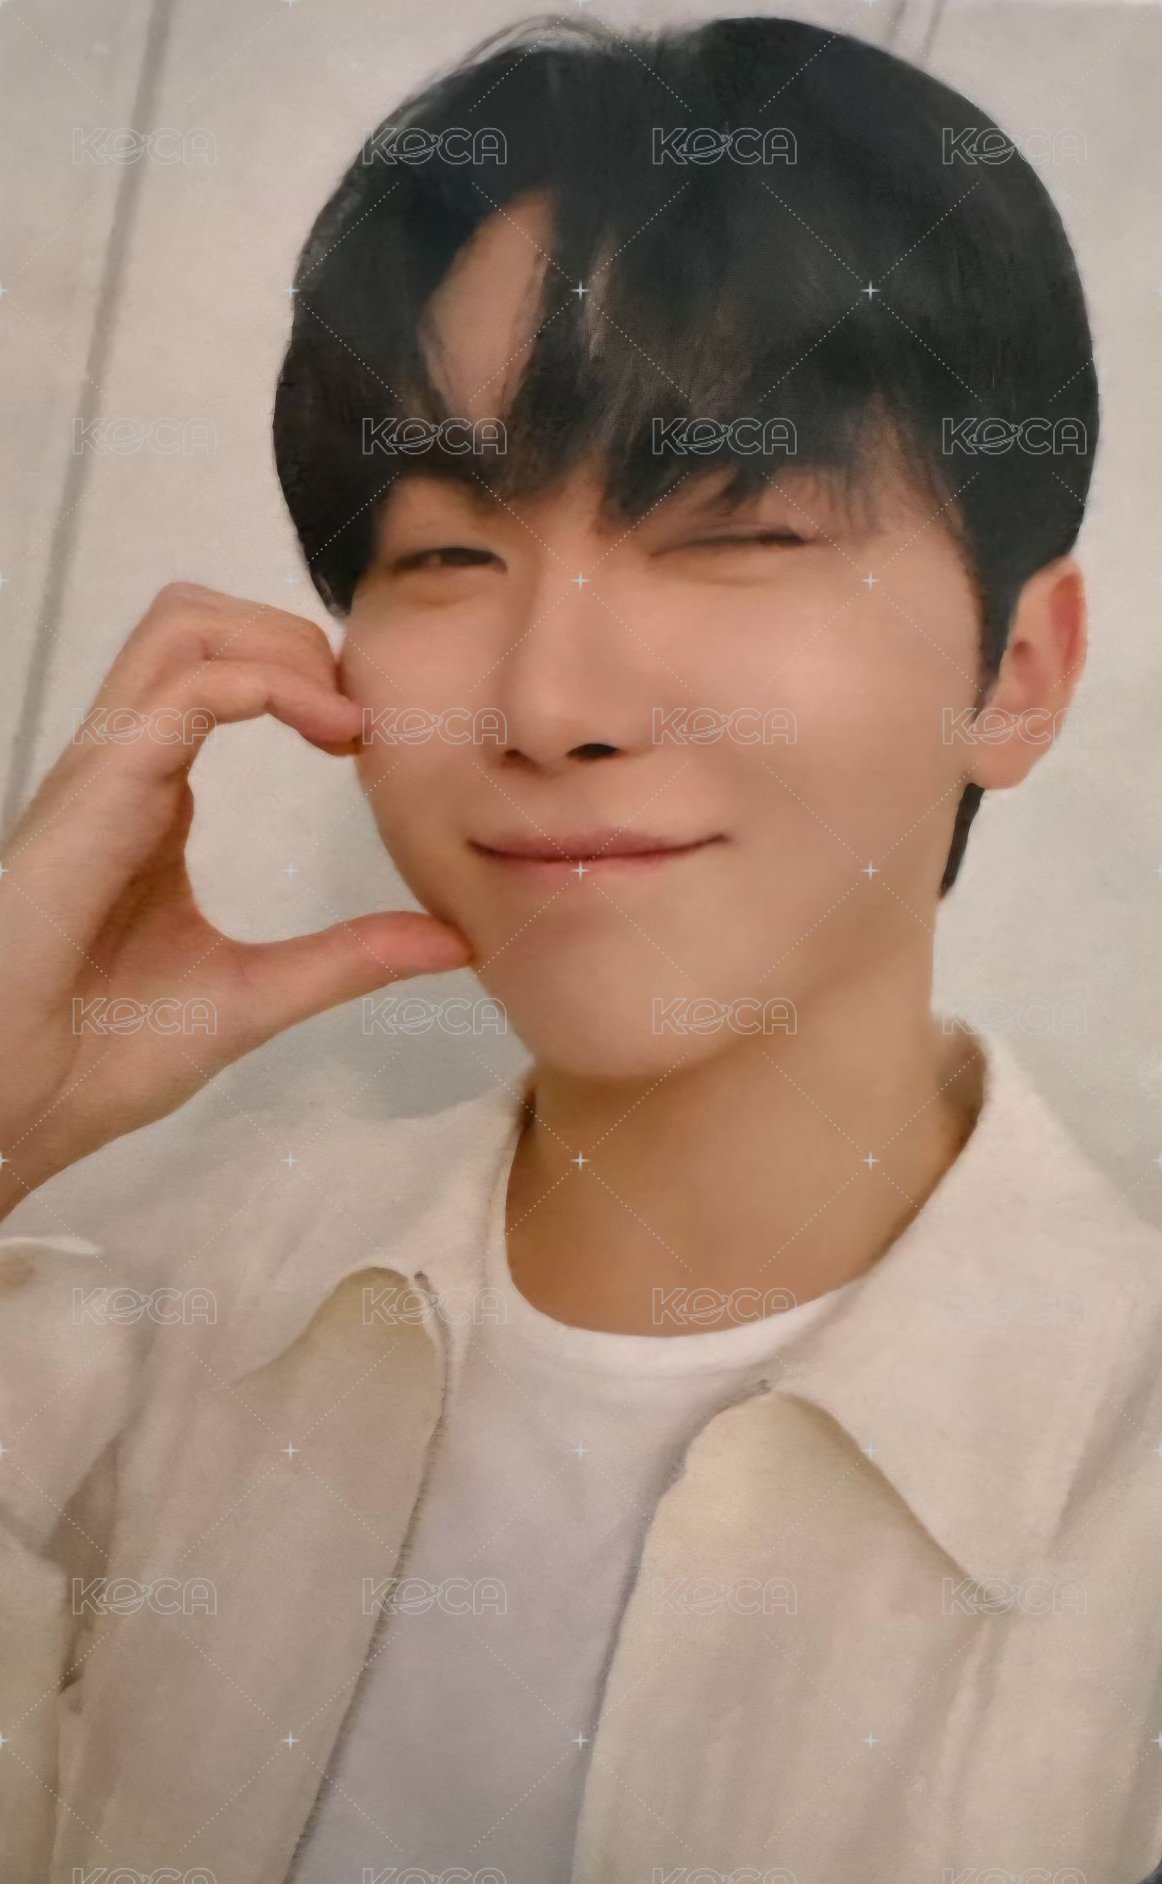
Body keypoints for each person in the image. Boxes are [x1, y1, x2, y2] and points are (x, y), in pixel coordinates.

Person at [2, 14, 1161, 1883]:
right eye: (447, 554)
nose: (549, 706)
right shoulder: (136, 1334)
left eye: (734, 531)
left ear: (1014, 675)